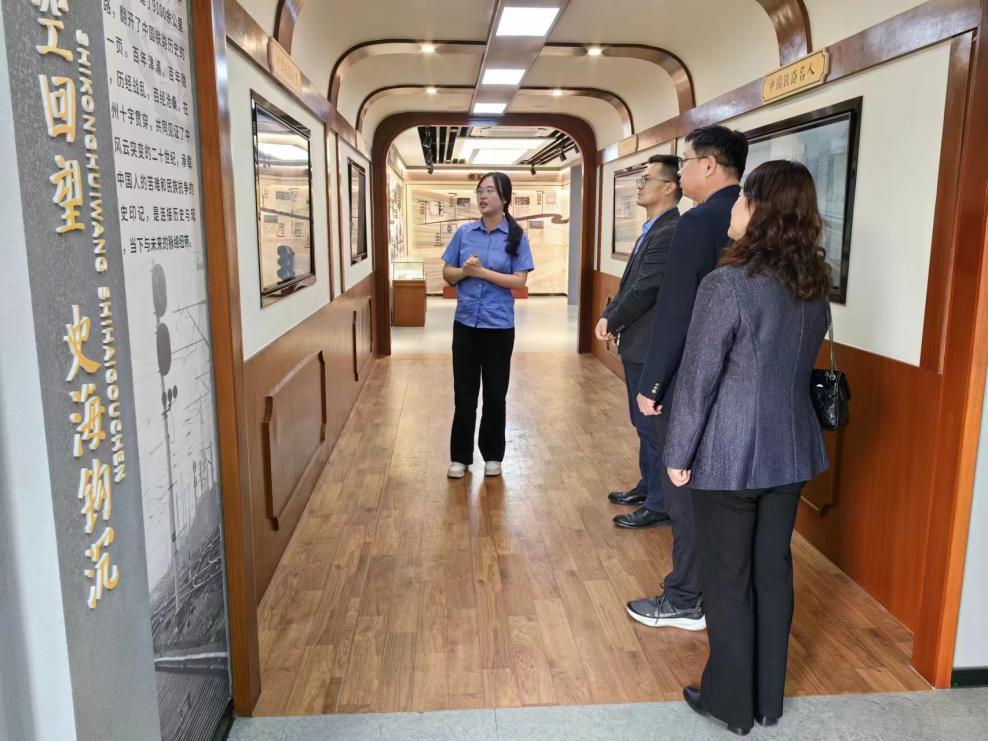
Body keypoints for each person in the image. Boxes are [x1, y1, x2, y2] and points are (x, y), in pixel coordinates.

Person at [665, 160, 831, 736]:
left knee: (727, 579)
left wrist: (678, 455)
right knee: (772, 573)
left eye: (741, 200)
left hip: (729, 458)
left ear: (759, 211)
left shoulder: (727, 284)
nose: (733, 208)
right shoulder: (813, 285)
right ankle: (767, 700)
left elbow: (698, 380)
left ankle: (729, 704)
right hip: (792, 452)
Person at [624, 125, 749, 632]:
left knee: (684, 489)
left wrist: (652, 384)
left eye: (688, 161)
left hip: (692, 379)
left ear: (710, 165)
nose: (684, 172)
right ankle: (718, 592)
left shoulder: (697, 223)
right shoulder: (754, 216)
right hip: (741, 382)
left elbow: (676, 311)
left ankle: (685, 597)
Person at [596, 155, 682, 517]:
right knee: (641, 423)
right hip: (638, 343)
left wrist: (612, 320)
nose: (640, 185)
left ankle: (659, 504)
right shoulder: (653, 228)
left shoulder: (670, 230)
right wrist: (609, 315)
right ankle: (648, 486)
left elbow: (646, 288)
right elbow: (631, 285)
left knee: (651, 426)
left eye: (647, 179)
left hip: (650, 345)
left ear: (669, 187)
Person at [441, 172, 535, 479]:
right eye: (479, 191)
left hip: (499, 327)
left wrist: (482, 273)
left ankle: (493, 455)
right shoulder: (465, 233)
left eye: (489, 191)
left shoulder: (516, 236)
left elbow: (519, 281)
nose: (482, 196)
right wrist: (464, 272)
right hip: (466, 324)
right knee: (464, 394)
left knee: (495, 394)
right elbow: (447, 273)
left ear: (504, 198)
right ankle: (460, 458)